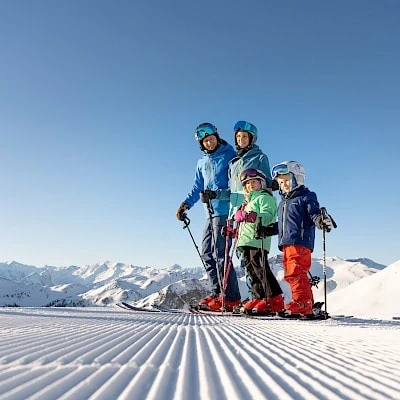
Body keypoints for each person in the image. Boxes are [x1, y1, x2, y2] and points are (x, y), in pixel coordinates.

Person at [175, 122, 241, 311]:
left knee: (221, 254)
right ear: (201, 144)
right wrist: (185, 205)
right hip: (209, 214)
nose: (209, 143)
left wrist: (216, 194)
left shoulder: (230, 156)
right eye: (205, 141)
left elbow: (237, 187)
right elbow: (198, 188)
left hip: (225, 211)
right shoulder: (201, 162)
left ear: (216, 137)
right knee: (206, 253)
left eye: (210, 138)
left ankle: (232, 298)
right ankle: (216, 293)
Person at [219, 121, 273, 302]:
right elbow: (232, 188)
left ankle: (256, 296)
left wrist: (262, 208)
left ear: (251, 139)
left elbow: (266, 182)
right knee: (241, 254)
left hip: (252, 209)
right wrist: (215, 196)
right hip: (236, 210)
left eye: (244, 137)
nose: (241, 139)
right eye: (238, 137)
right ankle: (252, 297)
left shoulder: (259, 157)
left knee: (252, 255)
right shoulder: (233, 162)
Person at [271, 161, 333, 316]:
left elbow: (313, 213)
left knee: (296, 272)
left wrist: (320, 220)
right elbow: (283, 224)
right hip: (286, 243)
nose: (283, 184)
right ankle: (306, 303)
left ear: (297, 178)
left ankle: (302, 303)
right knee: (291, 274)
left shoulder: (306, 196)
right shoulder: (283, 202)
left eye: (286, 180)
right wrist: (268, 229)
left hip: (300, 241)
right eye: (281, 181)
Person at [233, 168, 284, 315]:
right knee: (251, 270)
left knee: (260, 268)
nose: (251, 185)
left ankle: (274, 299)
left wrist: (255, 216)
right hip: (246, 240)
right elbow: (244, 223)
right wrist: (234, 231)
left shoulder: (264, 197)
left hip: (258, 239)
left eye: (253, 182)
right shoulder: (248, 201)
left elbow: (269, 215)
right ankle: (258, 297)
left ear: (261, 182)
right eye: (247, 184)